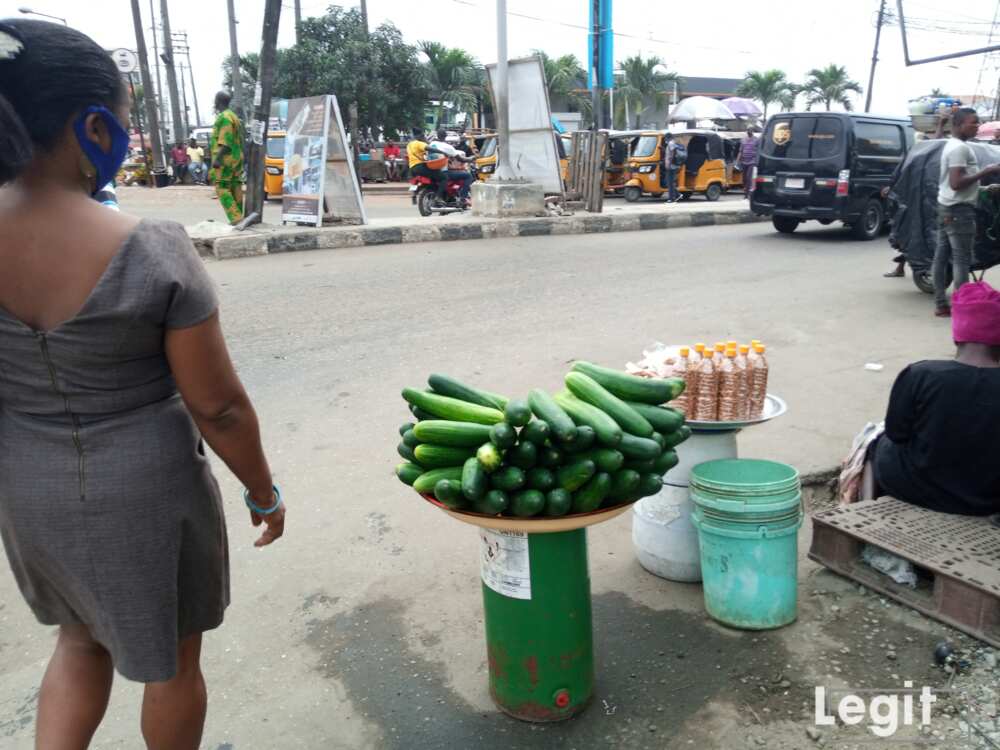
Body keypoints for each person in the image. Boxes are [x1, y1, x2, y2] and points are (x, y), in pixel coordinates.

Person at [0, 19, 284, 748]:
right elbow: (218, 407)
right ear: (94, 127)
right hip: (148, 492)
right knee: (173, 665)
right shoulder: (150, 249)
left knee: (77, 641)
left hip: (28, 488)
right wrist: (262, 491)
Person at [863, 281, 1000, 514]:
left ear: (958, 335)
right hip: (989, 499)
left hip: (919, 490)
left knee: (873, 443)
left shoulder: (922, 374)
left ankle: (865, 512)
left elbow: (897, 434)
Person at [932, 107, 1000, 317]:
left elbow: (954, 183)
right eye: (974, 122)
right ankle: (963, 309)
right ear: (960, 124)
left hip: (946, 206)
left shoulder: (952, 144)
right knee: (961, 260)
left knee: (941, 257)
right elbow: (956, 183)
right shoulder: (960, 149)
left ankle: (941, 305)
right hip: (959, 211)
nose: (977, 125)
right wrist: (987, 171)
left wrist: (983, 188)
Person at [210, 90, 245, 224]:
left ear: (217, 102)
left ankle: (236, 218)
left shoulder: (224, 117)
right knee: (235, 186)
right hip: (236, 158)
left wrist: (217, 159)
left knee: (222, 187)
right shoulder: (233, 116)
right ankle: (239, 217)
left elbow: (225, 141)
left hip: (226, 159)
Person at [429, 127, 475, 205]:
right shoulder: (448, 147)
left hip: (432, 171)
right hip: (443, 172)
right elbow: (462, 159)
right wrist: (471, 159)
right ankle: (463, 198)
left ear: (437, 135)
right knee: (468, 176)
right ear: (445, 136)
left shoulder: (432, 144)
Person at [406, 127, 447, 202]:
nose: (423, 137)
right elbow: (430, 148)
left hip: (412, 169)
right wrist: (443, 152)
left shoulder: (409, 144)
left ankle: (416, 192)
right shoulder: (419, 143)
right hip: (420, 167)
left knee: (431, 180)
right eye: (422, 135)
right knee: (444, 178)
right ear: (420, 135)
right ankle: (438, 197)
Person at [738, 126, 759, 199]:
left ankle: (747, 194)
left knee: (748, 177)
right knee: (744, 179)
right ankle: (746, 190)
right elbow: (740, 151)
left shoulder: (756, 140)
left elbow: (758, 151)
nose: (748, 131)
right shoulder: (743, 140)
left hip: (752, 161)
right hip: (744, 161)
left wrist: (757, 160)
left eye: (750, 130)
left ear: (752, 131)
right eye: (747, 130)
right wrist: (737, 161)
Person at [662, 133, 681, 203]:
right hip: (672, 165)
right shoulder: (672, 143)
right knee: (669, 182)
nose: (665, 139)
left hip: (671, 166)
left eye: (665, 138)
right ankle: (677, 195)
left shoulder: (671, 143)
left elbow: (672, 153)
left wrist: (669, 163)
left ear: (668, 138)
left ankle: (671, 199)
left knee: (670, 182)